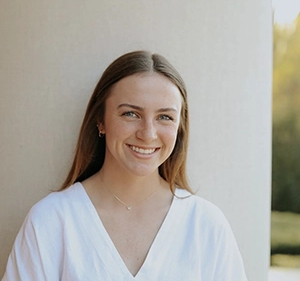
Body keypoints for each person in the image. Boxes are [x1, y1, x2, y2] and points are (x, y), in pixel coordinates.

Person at [2, 51, 247, 280]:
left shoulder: (206, 225)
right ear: (101, 120)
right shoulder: (51, 221)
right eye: (131, 114)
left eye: (165, 117)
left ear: (179, 127)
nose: (148, 134)